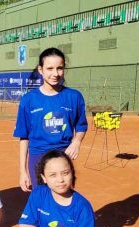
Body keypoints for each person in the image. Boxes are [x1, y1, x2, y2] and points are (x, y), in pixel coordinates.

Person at [14, 47, 88, 192]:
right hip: (37, 157)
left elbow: (81, 126)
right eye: (50, 68)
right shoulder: (28, 100)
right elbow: (24, 137)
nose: (55, 74)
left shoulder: (74, 96)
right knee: (41, 200)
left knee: (63, 197)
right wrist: (23, 171)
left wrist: (76, 141)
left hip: (63, 155)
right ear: (40, 70)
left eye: (59, 68)